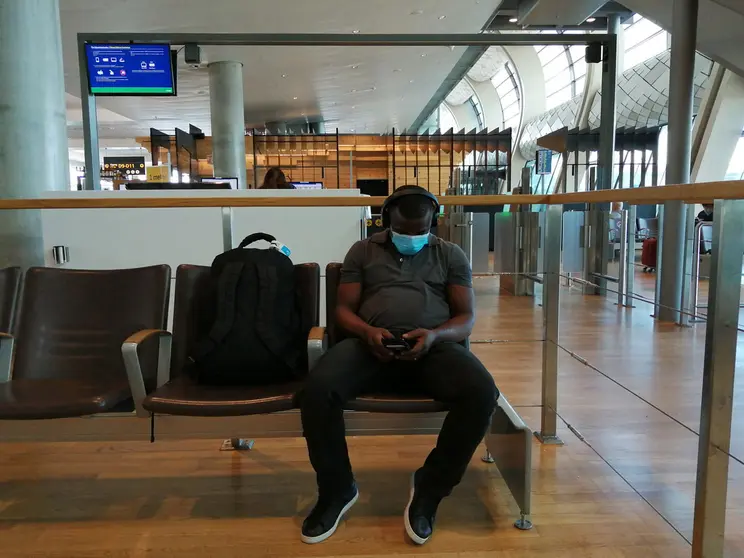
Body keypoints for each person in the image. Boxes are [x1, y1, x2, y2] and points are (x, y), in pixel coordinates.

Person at [299, 185, 499, 545]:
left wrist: (436, 336)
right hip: (367, 344)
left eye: (419, 231)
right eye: (403, 231)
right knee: (316, 390)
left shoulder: (450, 254)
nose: (411, 237)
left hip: (432, 345)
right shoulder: (362, 251)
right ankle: (337, 489)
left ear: (433, 222)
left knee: (482, 393)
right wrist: (368, 331)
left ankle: (430, 488)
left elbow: (466, 317)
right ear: (387, 219)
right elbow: (343, 310)